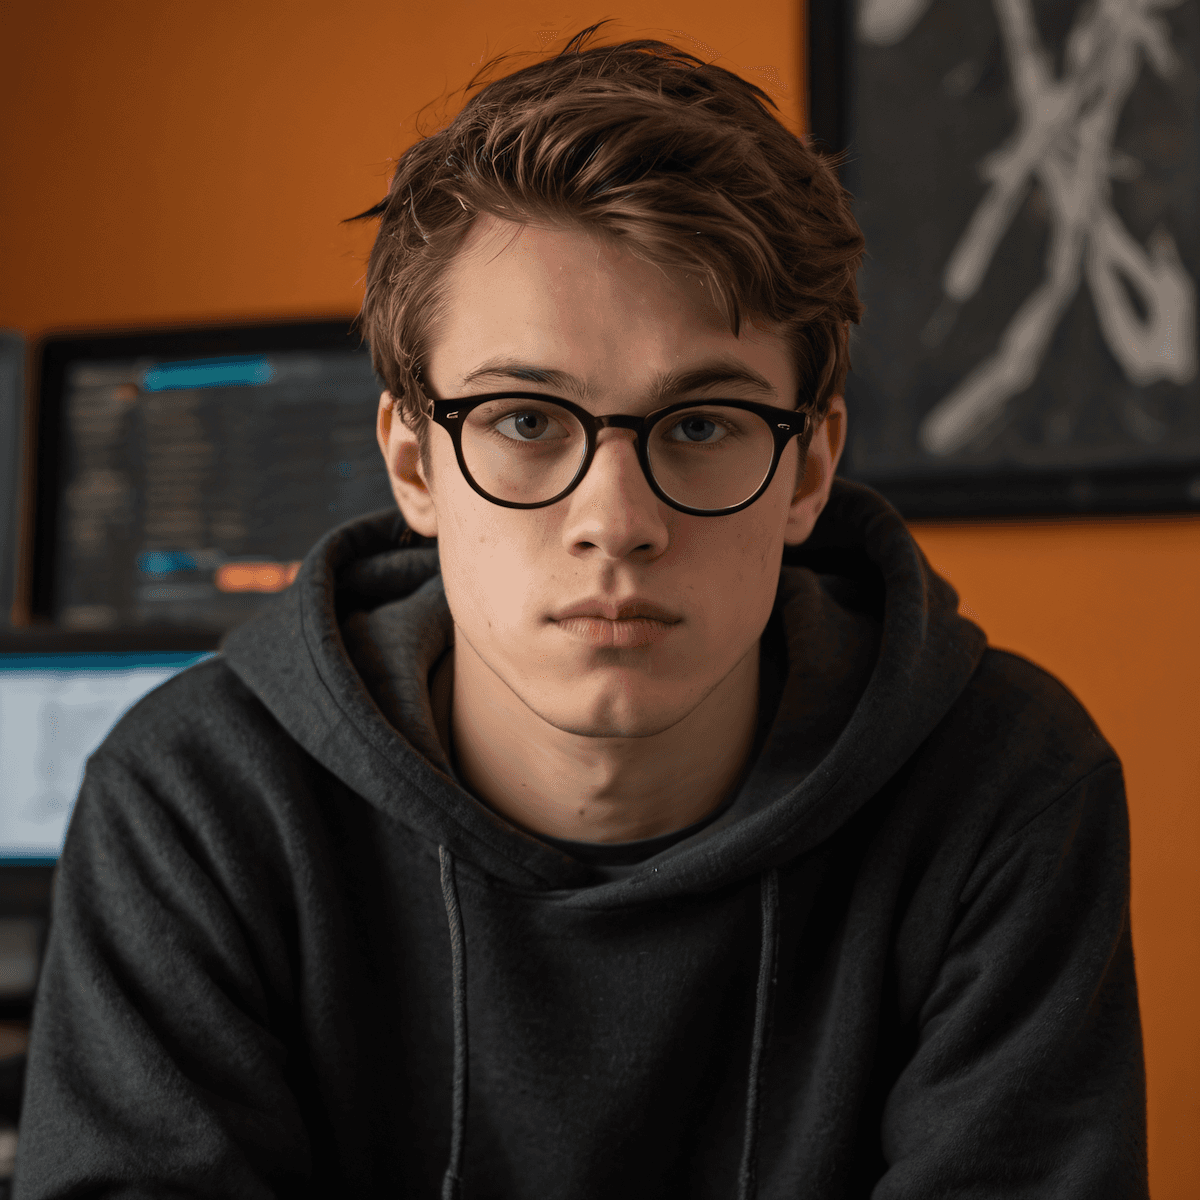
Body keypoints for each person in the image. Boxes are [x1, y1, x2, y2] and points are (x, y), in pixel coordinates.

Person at [16, 30, 1146, 1200]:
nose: (618, 520)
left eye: (702, 425)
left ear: (808, 469)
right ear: (414, 465)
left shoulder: (1005, 785)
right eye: (524, 420)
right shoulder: (195, 800)